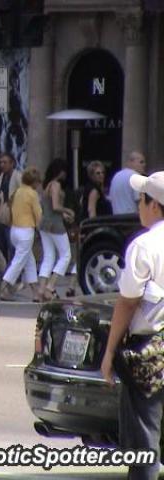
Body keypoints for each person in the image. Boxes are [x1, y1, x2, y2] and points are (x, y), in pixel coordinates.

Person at [101, 171, 164, 480]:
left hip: (150, 354)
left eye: (142, 200)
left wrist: (110, 352)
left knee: (144, 447)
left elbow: (127, 303)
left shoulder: (144, 245)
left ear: (155, 206)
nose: (139, 205)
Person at [0, 166, 43, 301]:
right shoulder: (32, 194)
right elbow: (38, 213)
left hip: (14, 230)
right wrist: (40, 228)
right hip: (26, 230)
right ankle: (1, 288)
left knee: (29, 261)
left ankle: (36, 293)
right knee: (18, 262)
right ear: (34, 182)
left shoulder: (18, 191)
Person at [37, 159, 75, 301]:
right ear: (60, 171)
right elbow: (55, 206)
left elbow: (48, 207)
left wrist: (62, 213)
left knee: (48, 256)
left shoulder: (46, 185)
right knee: (66, 255)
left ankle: (41, 289)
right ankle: (50, 286)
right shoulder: (56, 185)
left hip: (44, 224)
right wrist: (68, 210)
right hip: (55, 224)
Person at [0, 152, 23, 262]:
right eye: (1, 162)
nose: (2, 165)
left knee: (12, 248)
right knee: (2, 248)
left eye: (5, 162)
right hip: (1, 217)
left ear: (12, 164)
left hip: (13, 219)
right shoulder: (0, 178)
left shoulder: (18, 176)